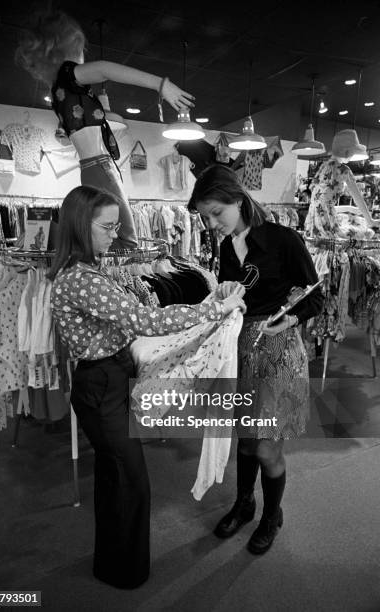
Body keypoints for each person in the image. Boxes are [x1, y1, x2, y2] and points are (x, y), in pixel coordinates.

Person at [48, 184, 246, 589]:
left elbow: (135, 322)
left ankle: (113, 563)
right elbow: (144, 321)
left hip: (108, 378)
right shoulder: (80, 279)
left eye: (115, 226)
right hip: (101, 383)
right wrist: (211, 308)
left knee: (114, 475)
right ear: (80, 226)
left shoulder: (88, 271)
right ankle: (124, 572)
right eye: (106, 227)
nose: (114, 235)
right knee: (129, 479)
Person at [188, 165, 324, 555]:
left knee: (267, 447)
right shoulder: (226, 245)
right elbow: (236, 299)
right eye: (206, 216)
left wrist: (288, 320)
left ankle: (272, 514)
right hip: (240, 351)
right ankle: (244, 504)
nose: (212, 223)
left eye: (217, 213)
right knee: (246, 442)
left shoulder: (284, 239)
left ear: (238, 199)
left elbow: (316, 294)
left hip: (279, 351)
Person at [15, 10, 195, 249]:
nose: (83, 56)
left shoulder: (60, 89)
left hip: (93, 167)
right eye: (80, 48)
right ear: (67, 49)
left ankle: (75, 260)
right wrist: (161, 85)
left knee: (108, 238)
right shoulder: (69, 75)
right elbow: (104, 69)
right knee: (126, 242)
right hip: (100, 165)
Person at [304, 129, 380, 238]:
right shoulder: (343, 170)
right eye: (353, 151)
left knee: (319, 247)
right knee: (343, 241)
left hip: (314, 214)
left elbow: (313, 190)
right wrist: (370, 220)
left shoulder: (323, 166)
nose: (353, 155)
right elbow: (357, 197)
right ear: (347, 151)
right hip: (325, 215)